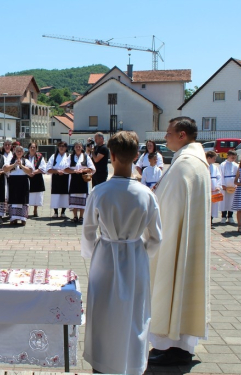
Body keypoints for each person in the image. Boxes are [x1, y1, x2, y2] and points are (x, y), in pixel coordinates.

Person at [81, 131, 162, 375]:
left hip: (105, 256)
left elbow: (88, 232)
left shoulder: (100, 192)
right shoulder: (146, 194)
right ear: (137, 155)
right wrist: (141, 254)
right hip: (135, 256)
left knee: (103, 309)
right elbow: (157, 237)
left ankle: (103, 363)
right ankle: (132, 363)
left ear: (111, 156)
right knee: (135, 312)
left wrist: (91, 254)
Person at [148, 117, 211, 366]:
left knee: (171, 282)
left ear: (182, 135)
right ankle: (178, 345)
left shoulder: (185, 164)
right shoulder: (196, 161)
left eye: (169, 133)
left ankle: (173, 345)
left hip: (176, 241)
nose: (166, 137)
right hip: (187, 240)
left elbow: (166, 208)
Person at [64, 142, 95, 224]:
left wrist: (82, 170)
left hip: (83, 180)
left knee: (83, 197)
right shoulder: (70, 157)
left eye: (79, 147)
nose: (78, 148)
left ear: (82, 148)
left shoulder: (86, 157)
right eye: (76, 147)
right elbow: (65, 169)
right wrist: (74, 171)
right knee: (74, 197)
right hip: (73, 179)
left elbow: (92, 168)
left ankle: (81, 216)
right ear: (74, 148)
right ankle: (75, 216)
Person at [3, 145, 33, 226]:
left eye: (20, 151)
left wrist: (21, 165)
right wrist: (14, 164)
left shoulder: (26, 160)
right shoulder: (10, 160)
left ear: (23, 152)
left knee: (23, 200)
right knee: (13, 199)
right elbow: (5, 169)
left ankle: (23, 218)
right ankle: (13, 218)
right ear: (15, 152)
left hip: (23, 181)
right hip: (13, 181)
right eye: (17, 151)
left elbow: (30, 171)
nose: (19, 152)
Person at [46, 141, 70, 218]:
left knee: (65, 195)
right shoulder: (53, 156)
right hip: (56, 177)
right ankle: (55, 212)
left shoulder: (69, 156)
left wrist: (64, 171)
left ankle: (63, 212)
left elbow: (72, 167)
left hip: (65, 177)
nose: (61, 147)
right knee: (55, 195)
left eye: (63, 146)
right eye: (60, 146)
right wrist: (57, 171)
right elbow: (48, 169)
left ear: (66, 148)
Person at [25, 142, 46, 217]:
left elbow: (43, 167)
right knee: (28, 194)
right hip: (27, 177)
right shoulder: (25, 157)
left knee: (37, 194)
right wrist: (28, 173)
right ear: (29, 148)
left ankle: (35, 210)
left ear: (36, 148)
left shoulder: (40, 156)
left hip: (37, 177)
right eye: (31, 147)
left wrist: (33, 172)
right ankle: (26, 210)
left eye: (34, 147)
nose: (32, 148)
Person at [220, 150, 239, 223]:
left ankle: (230, 216)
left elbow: (238, 175)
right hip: (225, 185)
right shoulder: (223, 164)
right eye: (232, 157)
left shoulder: (236, 165)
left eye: (234, 157)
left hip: (233, 185)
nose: (233, 159)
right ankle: (223, 216)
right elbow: (221, 175)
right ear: (228, 156)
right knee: (224, 201)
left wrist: (236, 184)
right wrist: (223, 184)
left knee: (232, 201)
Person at [206, 151, 221, 223]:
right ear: (209, 158)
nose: (215, 160)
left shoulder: (215, 167)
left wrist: (218, 186)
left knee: (213, 205)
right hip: (206, 188)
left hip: (214, 189)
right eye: (214, 159)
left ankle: (211, 220)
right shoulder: (204, 166)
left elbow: (219, 177)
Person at [231, 160, 241, 232]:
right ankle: (239, 226)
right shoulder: (239, 170)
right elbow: (235, 181)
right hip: (240, 191)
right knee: (239, 210)